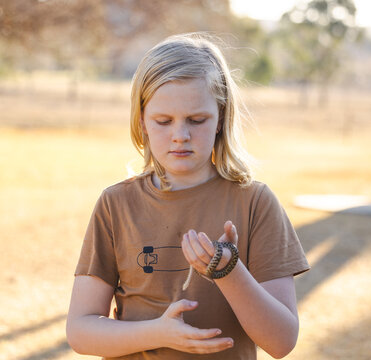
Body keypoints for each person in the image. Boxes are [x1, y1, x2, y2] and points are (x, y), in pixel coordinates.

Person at [66, 33, 310, 360]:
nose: (180, 136)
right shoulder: (116, 204)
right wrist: (158, 332)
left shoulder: (255, 203)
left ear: (221, 118)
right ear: (142, 121)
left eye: (197, 120)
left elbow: (281, 342)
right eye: (163, 121)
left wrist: (229, 271)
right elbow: (81, 331)